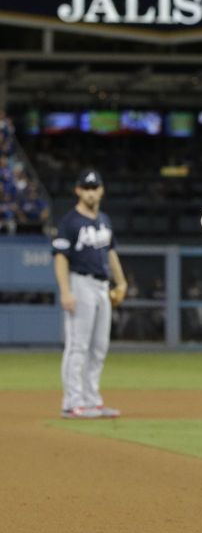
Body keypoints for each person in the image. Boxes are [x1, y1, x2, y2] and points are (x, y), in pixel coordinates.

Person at [52, 169, 127, 419]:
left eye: (94, 188)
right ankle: (72, 403)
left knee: (99, 347)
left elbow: (111, 252)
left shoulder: (104, 219)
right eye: (86, 188)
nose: (91, 192)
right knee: (78, 346)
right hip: (79, 282)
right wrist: (65, 291)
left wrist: (122, 282)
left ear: (102, 190)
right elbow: (61, 257)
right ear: (78, 190)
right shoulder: (70, 222)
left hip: (102, 286)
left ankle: (92, 400)